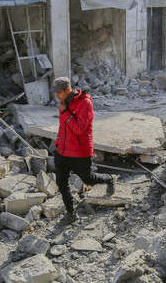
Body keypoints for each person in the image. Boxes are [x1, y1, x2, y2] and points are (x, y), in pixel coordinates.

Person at [51, 76, 117, 226]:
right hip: (62, 150)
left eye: (58, 92)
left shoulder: (85, 103)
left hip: (80, 152)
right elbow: (63, 126)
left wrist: (65, 112)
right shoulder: (63, 103)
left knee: (88, 179)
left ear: (67, 90)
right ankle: (71, 214)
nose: (56, 96)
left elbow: (79, 129)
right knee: (61, 183)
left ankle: (109, 178)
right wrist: (58, 142)